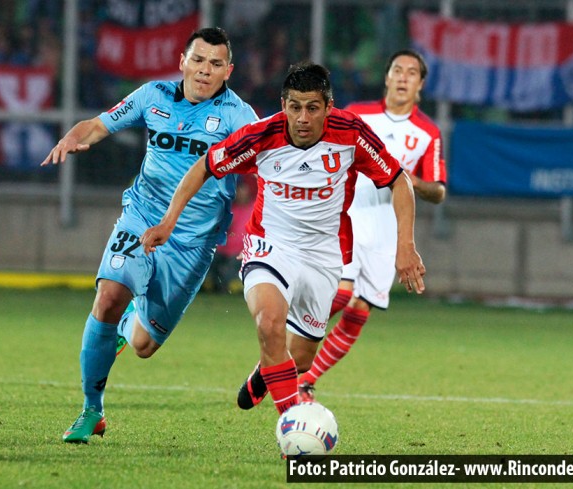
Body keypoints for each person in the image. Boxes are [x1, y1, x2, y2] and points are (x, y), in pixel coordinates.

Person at [140, 61, 425, 417]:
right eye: (294, 107)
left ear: (328, 107)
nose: (302, 117)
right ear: (283, 104)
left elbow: (399, 181)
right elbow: (204, 166)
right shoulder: (262, 135)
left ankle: (264, 374)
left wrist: (405, 246)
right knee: (269, 322)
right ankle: (292, 423)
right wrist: (169, 222)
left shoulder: (351, 133)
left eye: (312, 108)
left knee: (301, 358)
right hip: (269, 246)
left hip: (323, 255)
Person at [41, 27, 258, 444]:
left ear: (228, 71)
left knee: (143, 344)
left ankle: (128, 327)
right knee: (107, 297)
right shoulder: (153, 96)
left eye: (215, 64)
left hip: (193, 243)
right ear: (182, 61)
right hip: (141, 217)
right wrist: (74, 135)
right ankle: (91, 410)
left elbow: (268, 155)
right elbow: (99, 124)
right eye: (198, 60)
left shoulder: (237, 116)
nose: (204, 71)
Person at [296, 49, 446, 392]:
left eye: (412, 73)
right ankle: (280, 357)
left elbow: (438, 191)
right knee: (338, 293)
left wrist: (412, 181)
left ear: (420, 85)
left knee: (359, 310)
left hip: (387, 231)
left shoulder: (427, 132)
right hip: (347, 216)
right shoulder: (357, 115)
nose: (404, 77)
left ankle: (306, 381)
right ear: (387, 77)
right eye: (398, 70)